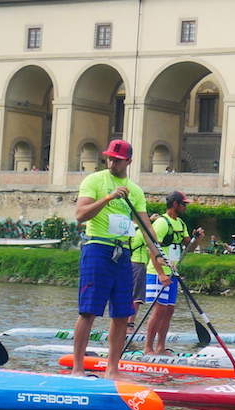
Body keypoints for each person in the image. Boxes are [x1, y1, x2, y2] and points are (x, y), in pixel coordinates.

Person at [72, 140, 169, 379]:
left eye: (117, 159)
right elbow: (80, 215)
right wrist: (108, 198)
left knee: (121, 314)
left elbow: (146, 226)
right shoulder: (94, 181)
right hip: (97, 249)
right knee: (88, 311)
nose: (112, 162)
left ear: (129, 162)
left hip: (122, 254)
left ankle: (112, 368)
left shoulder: (135, 191)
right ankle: (77, 368)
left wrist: (157, 252)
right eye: (109, 158)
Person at [141, 191, 205, 355]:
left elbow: (189, 248)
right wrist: (161, 273)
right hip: (158, 273)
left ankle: (161, 347)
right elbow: (152, 248)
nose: (186, 207)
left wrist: (196, 239)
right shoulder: (162, 223)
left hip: (173, 274)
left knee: (169, 311)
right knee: (159, 310)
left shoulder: (181, 224)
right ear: (175, 204)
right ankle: (148, 348)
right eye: (184, 204)